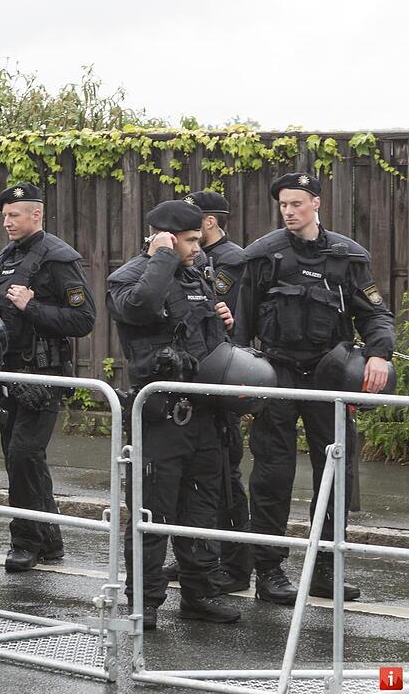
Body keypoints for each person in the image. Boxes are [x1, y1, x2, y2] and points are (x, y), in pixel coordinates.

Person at [234, 172, 395, 605]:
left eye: (297, 204)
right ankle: (268, 571)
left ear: (316, 203)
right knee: (272, 475)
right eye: (284, 205)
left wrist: (379, 353)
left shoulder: (347, 256)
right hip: (278, 374)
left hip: (330, 374)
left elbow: (376, 314)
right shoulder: (263, 256)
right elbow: (239, 327)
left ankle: (325, 567)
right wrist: (240, 382)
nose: (289, 212)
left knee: (336, 472)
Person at [108, 200, 241, 629]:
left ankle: (199, 593)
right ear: (162, 237)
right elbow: (140, 308)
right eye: (187, 241)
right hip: (160, 416)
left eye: (198, 241)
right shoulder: (127, 277)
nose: (197, 249)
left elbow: (207, 343)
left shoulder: (197, 275)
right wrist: (162, 256)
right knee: (152, 511)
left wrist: (223, 320)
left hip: (202, 413)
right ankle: (143, 600)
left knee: (202, 509)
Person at [0, 182, 95, 573]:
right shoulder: (6, 256)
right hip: (10, 370)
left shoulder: (58, 259)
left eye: (14, 215)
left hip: (43, 373)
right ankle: (49, 540)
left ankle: (26, 541)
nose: (7, 222)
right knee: (24, 458)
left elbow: (84, 320)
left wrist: (32, 306)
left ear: (37, 214)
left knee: (23, 455)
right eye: (4, 217)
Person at [162, 190, 251, 593]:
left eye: (196, 232)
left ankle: (233, 565)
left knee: (226, 481)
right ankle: (200, 559)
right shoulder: (196, 265)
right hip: (202, 382)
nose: (194, 244)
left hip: (224, 376)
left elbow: (215, 321)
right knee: (202, 485)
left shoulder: (227, 260)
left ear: (207, 223)